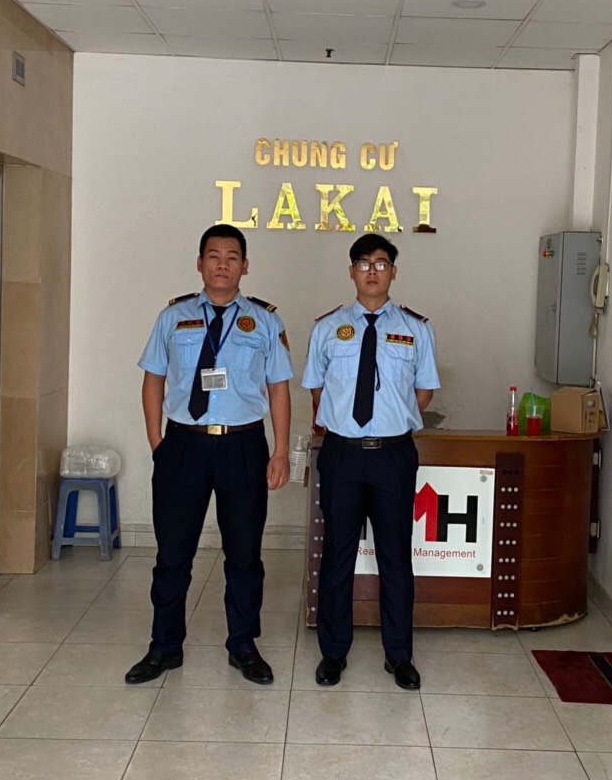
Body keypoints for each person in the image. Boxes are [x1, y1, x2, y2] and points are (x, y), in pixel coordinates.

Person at [125, 224, 292, 686]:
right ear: (200, 263)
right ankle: (164, 646)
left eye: (232, 256)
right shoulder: (173, 317)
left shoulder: (264, 321)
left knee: (245, 554)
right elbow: (153, 379)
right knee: (172, 553)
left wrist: (280, 451)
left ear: (245, 266)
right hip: (184, 444)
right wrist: (157, 443)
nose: (222, 264)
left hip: (243, 444)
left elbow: (279, 390)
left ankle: (243, 644)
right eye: (214, 255)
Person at [301, 232, 440, 690]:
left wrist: (391, 418)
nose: (372, 271)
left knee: (395, 557)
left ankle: (398, 655)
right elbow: (317, 390)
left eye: (381, 263)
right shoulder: (327, 328)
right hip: (342, 453)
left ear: (394, 271)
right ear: (351, 272)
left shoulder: (416, 329)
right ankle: (333, 652)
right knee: (337, 555)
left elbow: (423, 391)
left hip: (393, 456)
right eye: (363, 263)